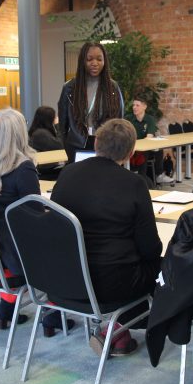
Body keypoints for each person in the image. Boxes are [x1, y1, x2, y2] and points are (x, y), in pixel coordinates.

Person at [51, 119, 162, 356]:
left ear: (96, 142)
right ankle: (121, 328)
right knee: (161, 263)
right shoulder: (134, 184)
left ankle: (117, 332)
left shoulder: (67, 173)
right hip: (112, 284)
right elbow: (150, 247)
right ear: (131, 152)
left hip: (65, 277)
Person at [0, 108, 74, 334]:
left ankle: (6, 311)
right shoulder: (22, 167)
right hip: (13, 253)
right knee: (62, 243)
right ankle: (52, 315)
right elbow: (33, 216)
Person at [57, 42, 124, 163]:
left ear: (105, 61)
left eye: (99, 59)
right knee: (81, 180)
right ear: (83, 61)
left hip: (105, 144)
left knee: (102, 180)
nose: (95, 63)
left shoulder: (113, 87)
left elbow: (119, 119)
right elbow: (63, 123)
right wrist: (67, 146)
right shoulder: (70, 87)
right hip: (77, 144)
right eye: (89, 59)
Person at [125, 95, 173, 185]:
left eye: (137, 105)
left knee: (158, 149)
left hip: (144, 148)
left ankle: (158, 175)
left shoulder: (149, 119)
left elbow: (149, 136)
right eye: (133, 105)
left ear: (144, 107)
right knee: (143, 152)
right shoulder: (129, 119)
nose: (134, 107)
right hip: (133, 147)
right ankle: (142, 177)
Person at [28, 106, 63, 180]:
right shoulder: (41, 134)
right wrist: (58, 125)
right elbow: (60, 145)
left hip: (45, 168)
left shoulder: (39, 132)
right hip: (45, 171)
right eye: (54, 117)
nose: (55, 118)